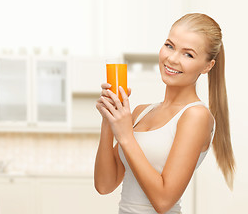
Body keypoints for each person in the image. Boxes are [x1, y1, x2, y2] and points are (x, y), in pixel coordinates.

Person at [94, 13, 235, 214]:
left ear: (207, 66)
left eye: (188, 54)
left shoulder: (196, 116)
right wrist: (109, 120)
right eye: (169, 45)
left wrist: (125, 135)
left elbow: (163, 201)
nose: (172, 59)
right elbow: (104, 185)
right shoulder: (142, 112)